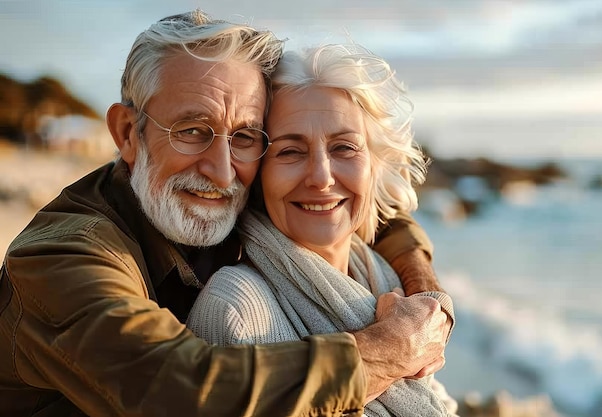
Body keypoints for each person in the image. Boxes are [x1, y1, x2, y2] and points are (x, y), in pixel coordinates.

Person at [0, 10, 449, 417]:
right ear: (127, 133)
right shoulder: (62, 258)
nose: (220, 170)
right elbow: (179, 391)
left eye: (245, 136)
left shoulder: (232, 188)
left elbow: (346, 205)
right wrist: (387, 351)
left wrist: (426, 296)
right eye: (192, 131)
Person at [186, 43, 457, 417]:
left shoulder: (386, 279)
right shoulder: (234, 309)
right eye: (290, 152)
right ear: (258, 174)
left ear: (375, 165)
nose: (321, 177)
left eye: (344, 148)